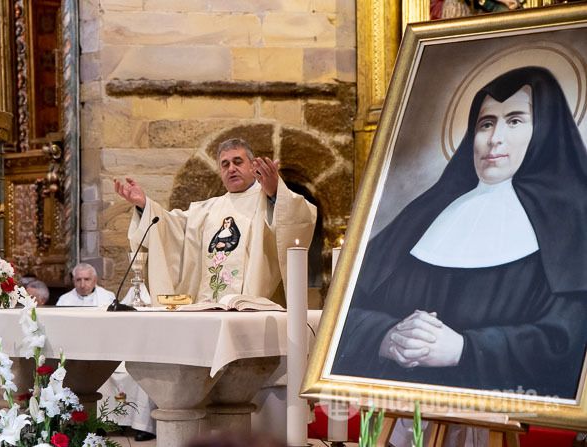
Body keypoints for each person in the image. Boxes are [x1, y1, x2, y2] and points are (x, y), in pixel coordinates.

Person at [332, 67, 587, 400]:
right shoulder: (424, 216)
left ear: (546, 130)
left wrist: (465, 350)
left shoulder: (573, 228)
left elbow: (565, 343)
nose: (494, 138)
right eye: (486, 124)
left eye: (514, 121)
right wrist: (386, 336)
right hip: (397, 406)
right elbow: (345, 313)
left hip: (503, 412)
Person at [115, 138, 317, 304]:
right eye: (225, 164)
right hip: (209, 307)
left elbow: (299, 219)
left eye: (238, 162)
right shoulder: (208, 209)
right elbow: (172, 228)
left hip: (254, 308)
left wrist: (275, 192)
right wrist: (144, 205)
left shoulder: (267, 199)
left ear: (252, 166)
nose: (231, 168)